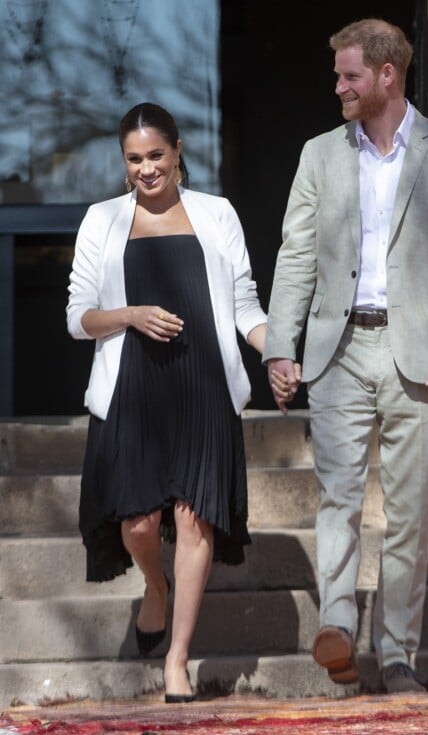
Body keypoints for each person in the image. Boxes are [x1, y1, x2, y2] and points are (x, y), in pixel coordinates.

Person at [264, 18, 428, 693]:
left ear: (387, 75)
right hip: (338, 350)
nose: (339, 87)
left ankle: (396, 655)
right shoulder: (318, 155)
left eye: (350, 75)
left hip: (419, 352)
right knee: (337, 497)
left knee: (408, 514)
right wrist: (282, 345)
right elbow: (296, 254)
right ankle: (336, 624)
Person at [67, 102, 292, 703]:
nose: (146, 169)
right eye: (134, 159)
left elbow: (245, 305)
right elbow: (77, 317)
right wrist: (131, 315)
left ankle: (177, 660)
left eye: (156, 156)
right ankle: (155, 588)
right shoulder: (102, 220)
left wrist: (278, 352)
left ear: (178, 150)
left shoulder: (217, 214)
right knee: (138, 524)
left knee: (195, 521)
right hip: (131, 390)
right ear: (124, 163)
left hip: (201, 388)